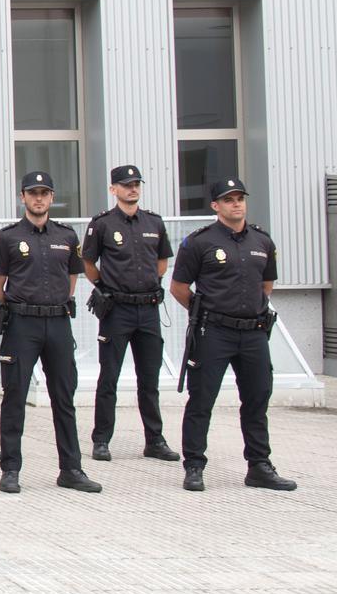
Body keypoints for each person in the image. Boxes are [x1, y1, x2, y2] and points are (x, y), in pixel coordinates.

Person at [170, 177, 297, 493]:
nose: (236, 204)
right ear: (216, 206)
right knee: (202, 400)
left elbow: (266, 286)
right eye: (228, 199)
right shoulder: (198, 242)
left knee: (257, 399)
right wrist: (208, 313)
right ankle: (195, 466)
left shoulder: (262, 242)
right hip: (214, 332)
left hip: (253, 333)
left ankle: (259, 466)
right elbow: (179, 288)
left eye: (240, 198)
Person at [0, 172, 98, 495]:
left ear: (52, 197)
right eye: (33, 193)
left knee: (64, 398)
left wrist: (56, 304)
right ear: (23, 197)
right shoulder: (7, 238)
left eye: (44, 193)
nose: (39, 199)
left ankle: (71, 469)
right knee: (15, 397)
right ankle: (10, 469)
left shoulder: (67, 236)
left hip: (58, 324)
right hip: (23, 324)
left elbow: (72, 278)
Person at [82, 164, 181, 463]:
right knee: (109, 377)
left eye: (136, 183)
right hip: (117, 309)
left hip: (148, 309)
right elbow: (88, 262)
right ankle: (101, 440)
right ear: (114, 190)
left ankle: (155, 440)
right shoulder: (102, 224)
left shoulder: (154, 222)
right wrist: (103, 287)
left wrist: (152, 282)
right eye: (126, 185)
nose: (132, 188)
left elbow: (162, 261)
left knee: (149, 379)